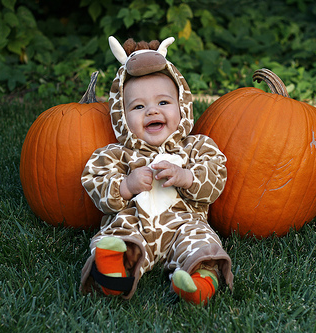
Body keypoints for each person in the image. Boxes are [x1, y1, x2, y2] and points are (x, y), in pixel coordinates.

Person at [79, 36, 233, 305]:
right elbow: (95, 181)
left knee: (201, 242)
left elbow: (216, 177)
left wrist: (187, 176)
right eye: (138, 106)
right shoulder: (117, 153)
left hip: (182, 226)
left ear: (182, 106)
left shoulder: (196, 147)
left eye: (163, 103)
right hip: (134, 222)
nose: (151, 111)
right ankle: (112, 269)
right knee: (117, 235)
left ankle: (198, 283)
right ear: (122, 116)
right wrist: (126, 185)